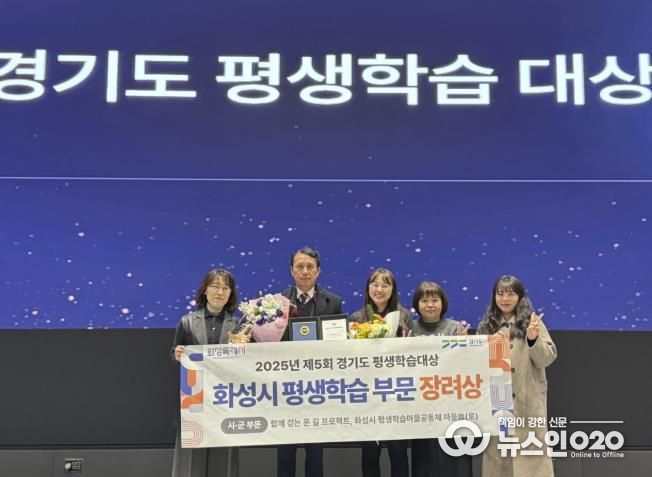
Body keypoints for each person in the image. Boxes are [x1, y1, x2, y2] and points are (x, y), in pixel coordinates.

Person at [476, 275, 557, 477]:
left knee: (532, 458)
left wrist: (533, 339)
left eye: (510, 294)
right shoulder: (487, 325)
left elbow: (546, 358)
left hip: (527, 402)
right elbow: (476, 364)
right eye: (500, 293)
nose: (505, 299)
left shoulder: (532, 322)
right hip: (497, 404)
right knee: (498, 458)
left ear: (520, 297)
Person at [170, 268, 246, 477]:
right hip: (194, 399)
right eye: (215, 286)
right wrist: (177, 354)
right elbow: (175, 351)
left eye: (225, 288)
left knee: (224, 459)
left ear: (231, 293)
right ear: (205, 290)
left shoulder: (239, 326)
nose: (220, 292)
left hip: (225, 399)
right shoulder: (187, 322)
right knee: (190, 461)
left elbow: (245, 363)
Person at [277, 246, 343, 477]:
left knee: (315, 453)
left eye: (310, 267)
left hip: (318, 388)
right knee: (285, 452)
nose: (305, 271)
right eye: (300, 266)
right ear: (291, 270)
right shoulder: (276, 303)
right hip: (285, 388)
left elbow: (339, 345)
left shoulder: (333, 302)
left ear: (318, 271)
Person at [349, 268, 413, 477]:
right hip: (368, 393)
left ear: (393, 289)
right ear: (368, 288)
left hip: (396, 392)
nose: (379, 289)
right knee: (370, 453)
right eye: (375, 284)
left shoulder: (403, 316)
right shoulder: (357, 317)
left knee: (398, 451)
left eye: (385, 285)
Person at [409, 281, 472, 477]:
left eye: (435, 300)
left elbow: (466, 365)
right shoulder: (410, 328)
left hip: (450, 403)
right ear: (417, 304)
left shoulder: (454, 327)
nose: (430, 305)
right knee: (424, 459)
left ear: (442, 303)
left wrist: (464, 347)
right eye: (424, 300)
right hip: (421, 404)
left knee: (452, 459)